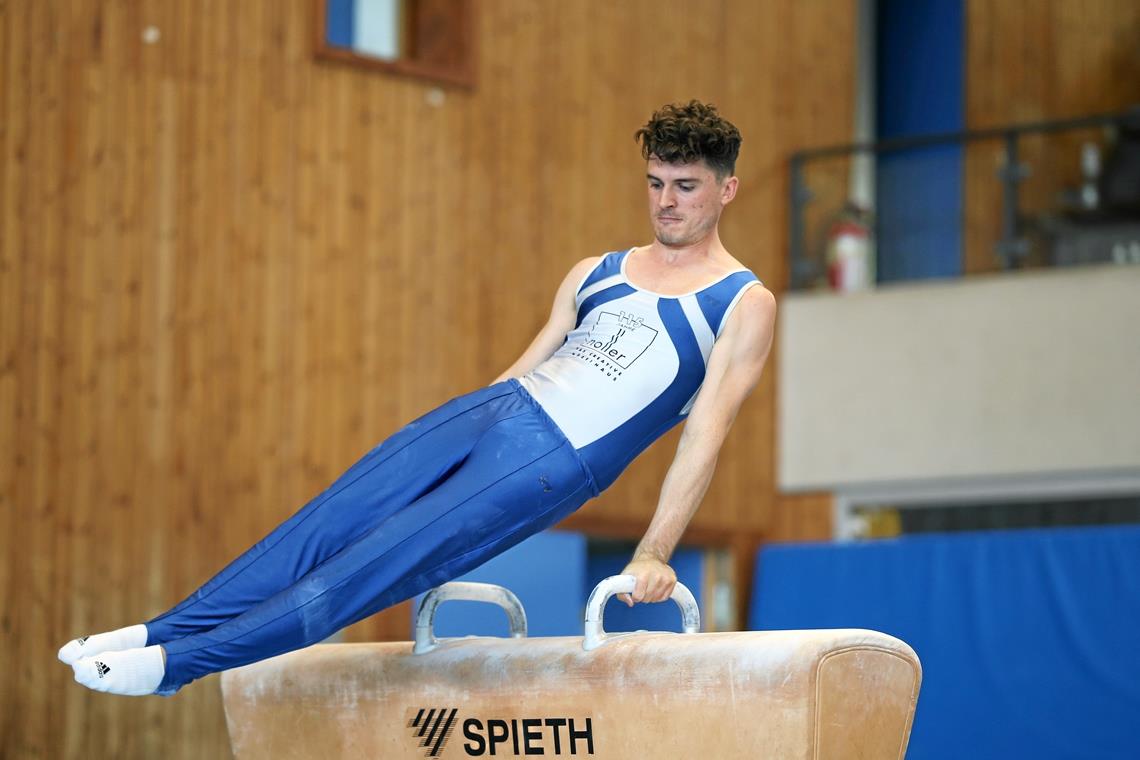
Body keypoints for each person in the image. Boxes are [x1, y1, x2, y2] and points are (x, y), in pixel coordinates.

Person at [60, 100, 777, 696]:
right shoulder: (599, 270)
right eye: (655, 183)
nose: (666, 202)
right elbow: (521, 371)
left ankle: (176, 668)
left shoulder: (740, 302)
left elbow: (704, 435)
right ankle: (162, 630)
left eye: (685, 186)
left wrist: (653, 552)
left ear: (726, 189)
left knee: (368, 567)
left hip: (551, 462)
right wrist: (466, 428)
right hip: (494, 413)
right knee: (320, 526)